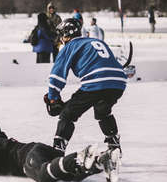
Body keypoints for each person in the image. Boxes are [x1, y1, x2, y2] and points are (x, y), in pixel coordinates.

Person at [45, 18, 129, 156]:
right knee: (102, 110)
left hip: (96, 82)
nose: (60, 38)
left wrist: (53, 97)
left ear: (66, 34)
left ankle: (57, 151)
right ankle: (114, 146)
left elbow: (56, 76)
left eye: (61, 35)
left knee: (67, 113)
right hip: (118, 82)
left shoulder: (69, 46)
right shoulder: (97, 42)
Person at [0, 123, 121, 182]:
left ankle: (78, 158)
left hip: (27, 156)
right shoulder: (3, 142)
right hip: (38, 150)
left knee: (43, 175)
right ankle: (100, 161)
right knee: (68, 176)